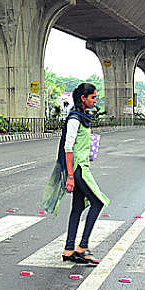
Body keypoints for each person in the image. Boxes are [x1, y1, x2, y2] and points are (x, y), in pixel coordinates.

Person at [40, 82, 110, 264]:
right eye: (93, 97)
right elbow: (68, 148)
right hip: (79, 169)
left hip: (83, 167)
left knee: (78, 208)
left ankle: (69, 249)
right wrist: (70, 176)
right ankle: (83, 246)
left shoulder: (83, 116)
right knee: (98, 202)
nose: (95, 100)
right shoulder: (75, 118)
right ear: (83, 98)